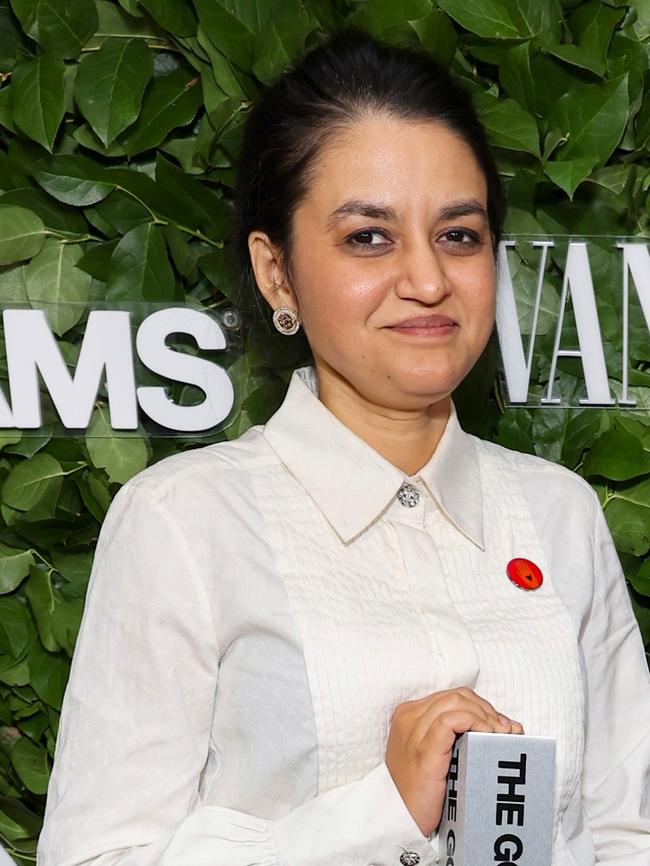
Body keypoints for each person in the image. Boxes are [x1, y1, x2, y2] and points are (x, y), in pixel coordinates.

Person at [37, 28, 650, 866]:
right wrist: (379, 810)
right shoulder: (186, 522)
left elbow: (625, 835)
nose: (428, 280)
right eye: (369, 237)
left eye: (459, 235)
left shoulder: (560, 514)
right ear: (276, 271)